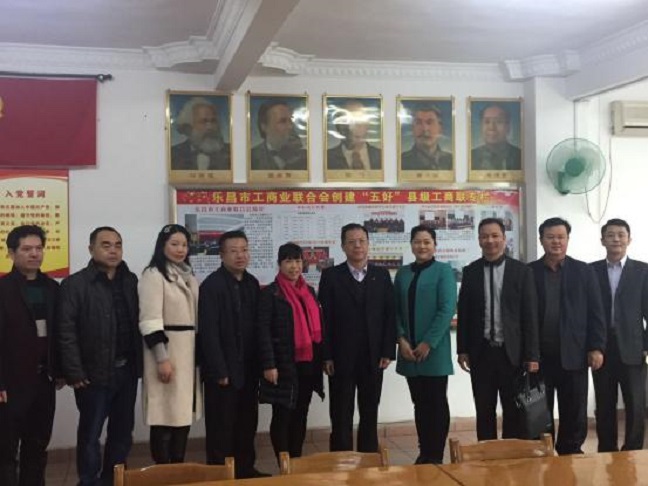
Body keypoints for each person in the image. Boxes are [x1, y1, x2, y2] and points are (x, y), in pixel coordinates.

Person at [58, 227, 141, 485]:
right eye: (106, 245)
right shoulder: (75, 284)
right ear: (91, 249)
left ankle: (114, 479)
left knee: (122, 433)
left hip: (126, 371)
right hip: (92, 374)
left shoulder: (131, 281)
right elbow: (66, 331)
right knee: (90, 434)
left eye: (118, 244)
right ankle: (88, 481)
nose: (113, 250)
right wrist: (74, 372)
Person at [457, 218, 540, 441]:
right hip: (481, 351)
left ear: (504, 238)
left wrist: (532, 355)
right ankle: (486, 452)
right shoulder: (471, 271)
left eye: (495, 236)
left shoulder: (521, 271)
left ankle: (510, 453)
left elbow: (530, 315)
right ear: (479, 240)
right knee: (484, 408)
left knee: (513, 409)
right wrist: (462, 349)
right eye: (485, 236)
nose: (490, 240)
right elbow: (464, 312)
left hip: (511, 353)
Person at [528, 217, 606, 455]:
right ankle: (543, 451)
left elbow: (596, 311)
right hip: (539, 356)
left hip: (574, 353)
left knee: (574, 409)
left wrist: (596, 347)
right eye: (550, 237)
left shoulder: (583, 271)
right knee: (538, 410)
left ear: (568, 239)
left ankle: (571, 450)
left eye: (561, 237)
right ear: (541, 240)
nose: (556, 242)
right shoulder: (529, 272)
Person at [318, 223, 396, 452]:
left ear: (368, 244)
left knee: (370, 409)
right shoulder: (331, 276)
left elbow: (389, 315)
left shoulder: (381, 275)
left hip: (373, 356)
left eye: (361, 241)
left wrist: (387, 351)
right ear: (343, 246)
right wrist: (326, 355)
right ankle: (341, 458)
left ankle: (368, 455)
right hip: (340, 357)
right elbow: (324, 319)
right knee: (340, 411)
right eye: (351, 242)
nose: (357, 246)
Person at [198, 230, 268, 478]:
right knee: (221, 427)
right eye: (233, 251)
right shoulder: (211, 286)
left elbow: (258, 328)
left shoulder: (251, 283)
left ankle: (246, 470)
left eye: (244, 250)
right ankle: (220, 475)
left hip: (248, 370)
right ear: (221, 255)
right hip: (223, 372)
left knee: (247, 423)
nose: (240, 255)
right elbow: (208, 332)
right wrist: (219, 370)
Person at [0, 225, 61, 486]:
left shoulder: (53, 288)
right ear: (11, 253)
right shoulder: (3, 289)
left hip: (43, 381)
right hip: (11, 384)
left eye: (38, 248)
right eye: (26, 249)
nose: (34, 254)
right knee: (6, 451)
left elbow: (59, 334)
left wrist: (60, 370)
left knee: (37, 446)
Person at [138, 224, 202, 464]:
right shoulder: (153, 275)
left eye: (184, 244)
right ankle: (164, 470)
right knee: (164, 416)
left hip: (187, 354)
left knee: (181, 416)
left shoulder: (188, 275)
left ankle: (178, 467)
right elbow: (149, 321)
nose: (180, 249)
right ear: (162, 246)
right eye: (174, 244)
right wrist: (162, 358)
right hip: (167, 353)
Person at [394, 225, 456, 464]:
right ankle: (424, 451)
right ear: (411, 245)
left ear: (435, 245)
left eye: (427, 242)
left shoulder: (443, 271)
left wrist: (428, 343)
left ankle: (435, 454)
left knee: (436, 403)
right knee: (419, 403)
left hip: (434, 350)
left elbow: (446, 309)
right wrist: (401, 339)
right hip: (408, 351)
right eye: (417, 242)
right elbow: (395, 310)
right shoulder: (403, 274)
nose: (422, 246)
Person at [257, 243, 325, 460]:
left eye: (297, 261)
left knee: (301, 413)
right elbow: (263, 332)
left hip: (308, 364)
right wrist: (269, 365)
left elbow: (318, 329)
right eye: (288, 261)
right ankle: (284, 464)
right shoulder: (271, 293)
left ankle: (295, 460)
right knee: (283, 414)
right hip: (283, 364)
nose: (294, 266)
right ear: (279, 264)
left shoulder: (309, 292)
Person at [591, 218, 648, 452]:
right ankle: (607, 449)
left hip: (634, 348)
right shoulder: (591, 271)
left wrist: (646, 346)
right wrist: (590, 345)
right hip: (601, 347)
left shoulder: (643, 271)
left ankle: (632, 450)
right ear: (602, 240)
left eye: (621, 234)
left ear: (629, 239)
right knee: (604, 402)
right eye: (610, 235)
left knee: (635, 403)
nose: (616, 239)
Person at [171, 97, 231, 171]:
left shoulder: (231, 153)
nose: (210, 127)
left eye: (213, 121)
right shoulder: (173, 155)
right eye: (203, 122)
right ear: (188, 127)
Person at [251, 100, 307, 170]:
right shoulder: (251, 157)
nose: (290, 126)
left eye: (290, 120)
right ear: (264, 126)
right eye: (283, 121)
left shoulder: (305, 157)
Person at [327, 99, 382, 170]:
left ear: (367, 124)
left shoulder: (381, 155)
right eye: (345, 121)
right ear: (337, 127)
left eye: (357, 120)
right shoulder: (326, 158)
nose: (351, 128)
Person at [471, 103, 521, 171]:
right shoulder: (472, 156)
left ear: (508, 127)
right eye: (487, 122)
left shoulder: (520, 156)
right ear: (481, 126)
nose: (491, 127)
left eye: (499, 121)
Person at [401, 105, 452, 171]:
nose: (425, 129)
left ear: (440, 129)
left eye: (430, 122)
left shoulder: (451, 161)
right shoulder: (400, 162)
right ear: (413, 129)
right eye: (418, 123)